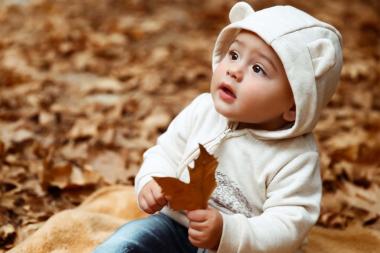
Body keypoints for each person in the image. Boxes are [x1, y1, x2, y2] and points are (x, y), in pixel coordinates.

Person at [94, 2, 343, 253]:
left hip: (239, 248)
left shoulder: (295, 157)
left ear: (295, 105)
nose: (235, 71)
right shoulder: (203, 110)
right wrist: (152, 181)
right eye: (234, 55)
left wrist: (228, 232)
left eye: (258, 69)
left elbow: (288, 225)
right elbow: (166, 153)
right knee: (129, 239)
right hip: (176, 225)